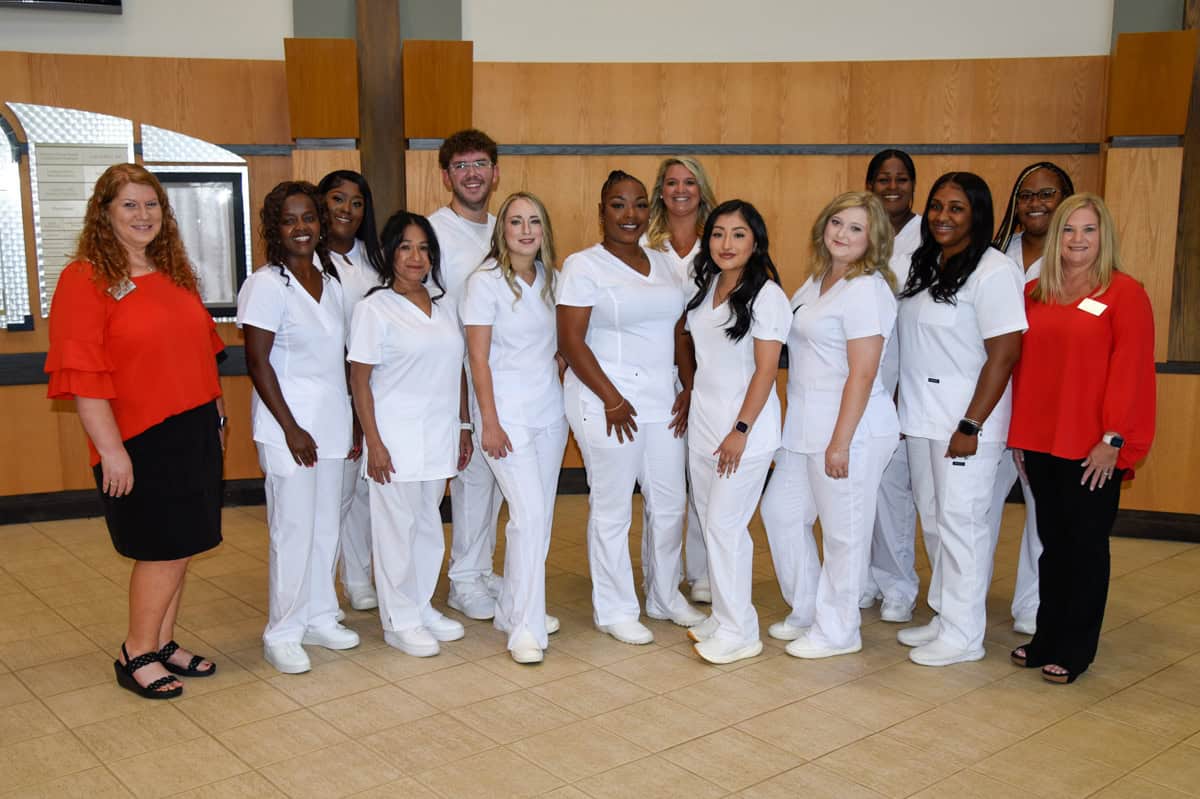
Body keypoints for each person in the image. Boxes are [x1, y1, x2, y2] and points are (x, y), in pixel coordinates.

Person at [46, 163, 225, 699]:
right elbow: (84, 378)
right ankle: (136, 651)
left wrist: (218, 418)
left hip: (193, 426)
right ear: (104, 213)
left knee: (184, 544)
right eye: (129, 205)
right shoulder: (83, 279)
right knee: (160, 549)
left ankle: (163, 643)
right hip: (137, 439)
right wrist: (112, 451)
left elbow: (202, 353)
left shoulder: (173, 273)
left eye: (151, 205)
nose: (143, 215)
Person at [1008, 193, 1155, 684]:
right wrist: (1021, 438)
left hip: (1094, 446)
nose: (1077, 239)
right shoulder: (1035, 292)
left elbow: (1131, 371)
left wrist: (1113, 439)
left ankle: (1076, 648)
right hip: (1041, 441)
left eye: (1088, 229)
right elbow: (1024, 370)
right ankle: (1047, 636)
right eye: (1069, 229)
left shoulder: (1125, 293)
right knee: (1053, 545)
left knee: (1086, 547)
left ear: (1103, 236)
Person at [557, 170, 706, 645]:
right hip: (605, 400)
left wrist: (689, 385)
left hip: (662, 401)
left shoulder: (663, 263)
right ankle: (615, 607)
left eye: (640, 204)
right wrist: (612, 398)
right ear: (601, 210)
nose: (630, 214)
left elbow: (678, 331)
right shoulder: (584, 266)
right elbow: (571, 341)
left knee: (670, 503)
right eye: (618, 204)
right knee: (613, 505)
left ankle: (664, 595)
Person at [894, 172, 1026, 667]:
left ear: (977, 215)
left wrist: (971, 424)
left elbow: (1004, 354)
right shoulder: (925, 262)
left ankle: (965, 635)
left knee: (963, 525)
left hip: (966, 423)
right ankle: (946, 615)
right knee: (934, 520)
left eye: (956, 208)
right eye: (936, 206)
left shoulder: (994, 271)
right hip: (922, 418)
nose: (942, 217)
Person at [761, 191, 899, 659]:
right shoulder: (818, 280)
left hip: (850, 431)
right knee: (780, 514)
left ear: (873, 239)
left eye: (856, 228)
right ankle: (807, 609)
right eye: (837, 222)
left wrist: (840, 442)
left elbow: (863, 372)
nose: (842, 233)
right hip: (803, 428)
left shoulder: (866, 289)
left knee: (844, 534)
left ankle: (839, 631)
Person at [238, 181, 360, 675]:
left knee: (326, 524)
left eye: (308, 217)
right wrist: (291, 428)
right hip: (288, 429)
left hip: (331, 423)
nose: (301, 228)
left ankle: (319, 616)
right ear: (275, 228)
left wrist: (352, 420)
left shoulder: (330, 279)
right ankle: (283, 632)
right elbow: (257, 362)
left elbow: (340, 359)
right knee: (292, 530)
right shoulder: (266, 285)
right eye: (289, 220)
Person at [348, 211, 471, 657]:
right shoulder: (373, 309)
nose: (415, 257)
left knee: (428, 527)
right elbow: (359, 381)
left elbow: (458, 369)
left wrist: (464, 425)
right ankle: (399, 621)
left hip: (439, 434)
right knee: (395, 533)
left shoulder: (444, 306)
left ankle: (420, 606)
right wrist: (374, 442)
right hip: (394, 439)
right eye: (405, 247)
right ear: (389, 253)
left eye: (423, 248)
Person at [678, 200, 789, 665]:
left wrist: (740, 429)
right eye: (718, 233)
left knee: (725, 526)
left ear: (755, 241)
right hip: (705, 425)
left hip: (744, 430)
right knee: (713, 524)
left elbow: (766, 371)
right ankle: (725, 615)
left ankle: (741, 631)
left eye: (738, 234)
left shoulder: (767, 296)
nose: (726, 243)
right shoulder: (708, 285)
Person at [462, 191, 566, 664]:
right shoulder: (483, 282)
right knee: (528, 516)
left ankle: (513, 608)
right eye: (516, 221)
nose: (526, 231)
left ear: (544, 231)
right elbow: (477, 358)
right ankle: (525, 628)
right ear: (501, 229)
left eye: (534, 222)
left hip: (549, 413)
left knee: (539, 520)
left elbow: (561, 343)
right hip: (504, 417)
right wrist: (488, 421)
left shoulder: (551, 280)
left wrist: (557, 366)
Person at [990, 162, 1076, 635]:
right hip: (990, 401)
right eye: (1026, 195)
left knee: (1042, 512)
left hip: (1041, 405)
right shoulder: (995, 254)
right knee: (973, 510)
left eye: (1047, 194)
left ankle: (1033, 605)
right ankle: (959, 604)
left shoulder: (1077, 260)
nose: (1035, 203)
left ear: (1065, 199)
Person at [428, 129, 504, 622]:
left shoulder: (504, 228)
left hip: (501, 373)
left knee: (495, 478)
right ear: (446, 176)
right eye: (461, 166)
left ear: (495, 173)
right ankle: (463, 580)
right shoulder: (434, 233)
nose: (471, 174)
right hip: (454, 377)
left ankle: (481, 568)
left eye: (479, 164)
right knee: (472, 479)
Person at [643, 156, 718, 604]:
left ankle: (703, 570)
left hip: (707, 376)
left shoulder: (718, 243)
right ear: (660, 192)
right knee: (666, 483)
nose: (681, 190)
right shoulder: (644, 246)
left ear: (701, 190)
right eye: (671, 183)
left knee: (705, 477)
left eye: (689, 182)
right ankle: (660, 575)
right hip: (657, 376)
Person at [318, 169, 386, 615]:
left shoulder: (375, 260)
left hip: (377, 394)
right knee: (334, 497)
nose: (347, 209)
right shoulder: (308, 261)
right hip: (334, 396)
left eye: (357, 202)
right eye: (337, 199)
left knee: (364, 492)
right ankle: (319, 594)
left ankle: (359, 579)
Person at [860, 148, 922, 623]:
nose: (892, 187)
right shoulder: (857, 231)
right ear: (870, 186)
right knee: (856, 490)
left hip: (905, 382)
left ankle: (898, 584)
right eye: (883, 178)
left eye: (901, 178)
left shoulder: (928, 236)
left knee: (893, 492)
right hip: (862, 383)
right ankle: (862, 578)